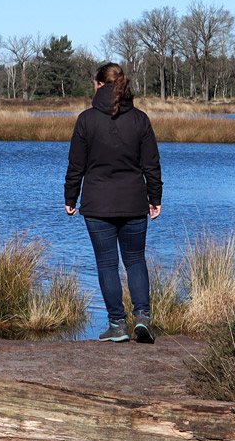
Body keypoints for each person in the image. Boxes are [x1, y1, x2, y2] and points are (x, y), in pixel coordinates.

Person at [63, 61, 163, 343]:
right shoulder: (140, 119)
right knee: (135, 260)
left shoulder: (86, 120)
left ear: (98, 85)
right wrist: (155, 198)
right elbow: (152, 166)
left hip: (97, 205)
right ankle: (142, 318)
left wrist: (70, 197)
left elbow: (75, 166)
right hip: (134, 202)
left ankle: (118, 325)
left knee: (107, 264)